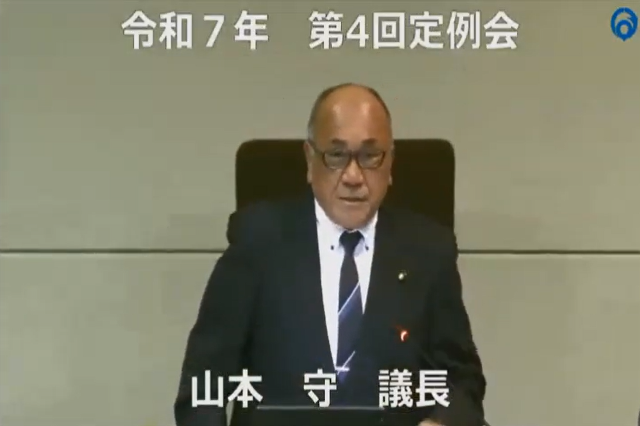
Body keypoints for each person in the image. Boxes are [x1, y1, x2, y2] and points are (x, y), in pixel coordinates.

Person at [174, 83, 486, 426]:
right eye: (336, 156)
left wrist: (442, 422)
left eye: (370, 156)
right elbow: (204, 382)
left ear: (391, 162)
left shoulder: (428, 251)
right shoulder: (258, 243)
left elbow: (463, 380)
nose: (353, 176)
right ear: (310, 160)